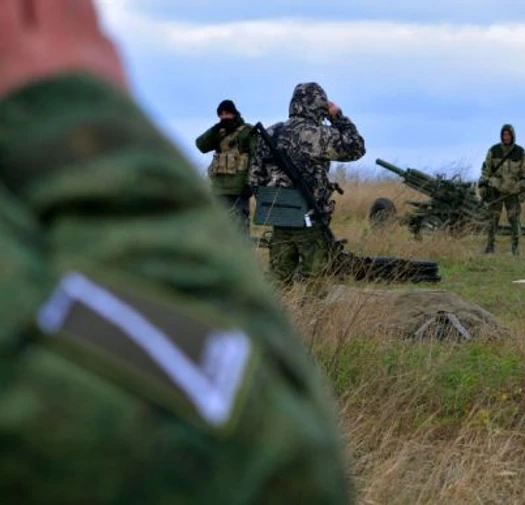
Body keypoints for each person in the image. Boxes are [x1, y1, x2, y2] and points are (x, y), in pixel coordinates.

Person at [0, 1, 351, 503]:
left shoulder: (267, 132)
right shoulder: (294, 133)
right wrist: (77, 114)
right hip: (265, 213)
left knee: (284, 269)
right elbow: (271, 459)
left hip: (264, 209)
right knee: (304, 276)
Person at [249, 82, 366, 291]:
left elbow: (254, 179)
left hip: (279, 219)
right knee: (316, 281)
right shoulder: (318, 134)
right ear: (319, 105)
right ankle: (313, 322)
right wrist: (337, 116)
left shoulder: (271, 132)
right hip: (310, 221)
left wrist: (274, 205)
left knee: (277, 282)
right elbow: (356, 147)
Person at [195, 99, 256, 241]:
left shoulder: (247, 132)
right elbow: (201, 145)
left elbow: (257, 158)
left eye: (227, 113)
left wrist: (250, 183)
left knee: (241, 232)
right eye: (221, 114)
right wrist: (215, 129)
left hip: (239, 190)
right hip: (219, 190)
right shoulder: (219, 132)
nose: (224, 116)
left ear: (234, 113)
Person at [478, 124, 525, 255]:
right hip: (495, 190)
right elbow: (486, 170)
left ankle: (515, 248)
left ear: (512, 136)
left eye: (508, 135)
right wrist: (483, 186)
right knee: (493, 219)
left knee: (514, 219)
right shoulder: (494, 150)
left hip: (512, 191)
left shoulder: (520, 152)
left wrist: (523, 190)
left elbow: (524, 173)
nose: (506, 137)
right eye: (504, 135)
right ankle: (490, 247)